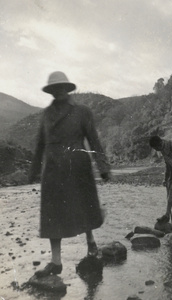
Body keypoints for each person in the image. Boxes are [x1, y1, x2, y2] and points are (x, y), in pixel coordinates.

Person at [29, 71, 111, 277]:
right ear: (51, 91)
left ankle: (91, 243)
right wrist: (34, 170)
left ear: (67, 88)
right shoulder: (46, 114)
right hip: (53, 170)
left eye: (61, 88)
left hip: (78, 167)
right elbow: (40, 144)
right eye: (54, 89)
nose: (58, 91)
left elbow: (94, 140)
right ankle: (55, 262)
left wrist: (103, 166)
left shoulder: (82, 112)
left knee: (85, 206)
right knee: (51, 215)